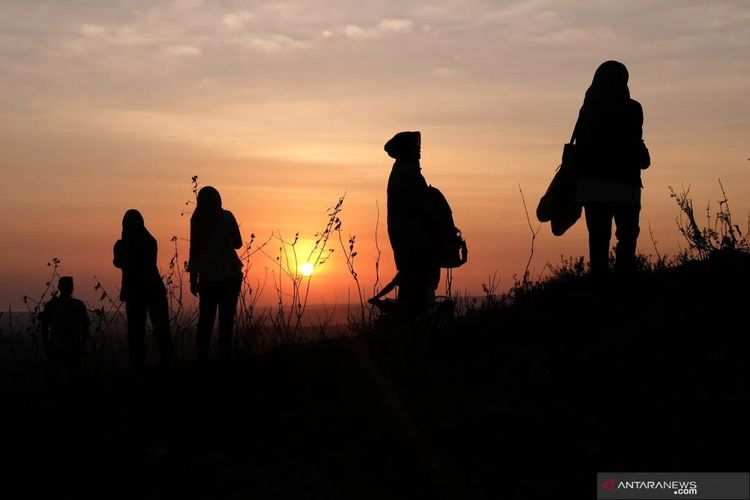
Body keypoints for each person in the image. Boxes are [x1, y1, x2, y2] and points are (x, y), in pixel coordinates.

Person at [574, 60, 650, 287]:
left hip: (594, 188)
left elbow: (582, 145)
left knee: (598, 241)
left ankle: (600, 292)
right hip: (626, 186)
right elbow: (635, 143)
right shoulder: (633, 108)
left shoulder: (588, 108)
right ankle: (624, 288)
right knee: (627, 239)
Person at [383, 131, 440, 318]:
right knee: (417, 302)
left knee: (416, 296)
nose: (419, 151)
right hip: (414, 247)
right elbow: (420, 209)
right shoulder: (407, 174)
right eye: (415, 147)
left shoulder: (404, 172)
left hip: (411, 246)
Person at [113, 209, 174, 370]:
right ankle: (167, 365)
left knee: (136, 333)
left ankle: (139, 368)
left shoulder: (123, 245)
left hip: (136, 293)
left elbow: (118, 262)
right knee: (161, 331)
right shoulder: (149, 241)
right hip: (153, 291)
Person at [188, 186, 243, 361]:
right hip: (230, 274)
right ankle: (224, 356)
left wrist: (193, 278)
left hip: (208, 277)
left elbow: (194, 251)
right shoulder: (227, 216)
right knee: (226, 319)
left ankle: (202, 356)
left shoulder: (197, 219)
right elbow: (238, 243)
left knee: (206, 320)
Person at [40, 276, 89, 379]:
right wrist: (84, 345)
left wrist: (46, 346)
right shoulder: (77, 305)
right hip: (66, 347)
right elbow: (85, 326)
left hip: (63, 346)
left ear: (59, 287)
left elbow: (44, 327)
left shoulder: (52, 305)